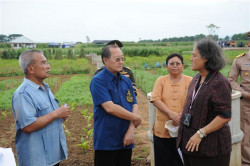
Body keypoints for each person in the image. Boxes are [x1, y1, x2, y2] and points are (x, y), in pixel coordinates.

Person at [177, 38, 232, 166]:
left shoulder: (219, 82)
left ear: (206, 58)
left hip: (210, 150)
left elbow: (224, 116)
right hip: (190, 146)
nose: (191, 59)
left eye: (194, 55)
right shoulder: (196, 78)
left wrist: (201, 133)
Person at [12, 50, 71, 166]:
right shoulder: (23, 94)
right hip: (37, 159)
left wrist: (60, 116)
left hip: (52, 156)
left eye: (47, 62)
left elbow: (46, 116)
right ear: (31, 68)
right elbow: (28, 126)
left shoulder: (45, 88)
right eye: (43, 63)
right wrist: (56, 114)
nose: (48, 66)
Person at [90, 44, 142, 166]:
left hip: (126, 139)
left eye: (122, 59)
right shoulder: (98, 81)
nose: (121, 62)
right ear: (105, 60)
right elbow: (110, 108)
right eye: (117, 59)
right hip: (107, 141)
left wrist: (131, 129)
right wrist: (135, 118)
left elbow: (134, 104)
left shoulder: (126, 80)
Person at [150, 53, 192, 166]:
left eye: (178, 63)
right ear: (166, 66)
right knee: (163, 161)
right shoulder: (161, 80)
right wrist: (171, 114)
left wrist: (180, 116)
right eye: (171, 64)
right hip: (162, 129)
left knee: (181, 161)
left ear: (183, 66)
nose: (175, 66)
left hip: (183, 128)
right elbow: (155, 99)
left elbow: (192, 100)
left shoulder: (190, 81)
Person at [228, 31, 250, 166]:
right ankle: (246, 162)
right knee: (246, 134)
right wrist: (245, 94)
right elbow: (232, 81)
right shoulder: (240, 60)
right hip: (247, 103)